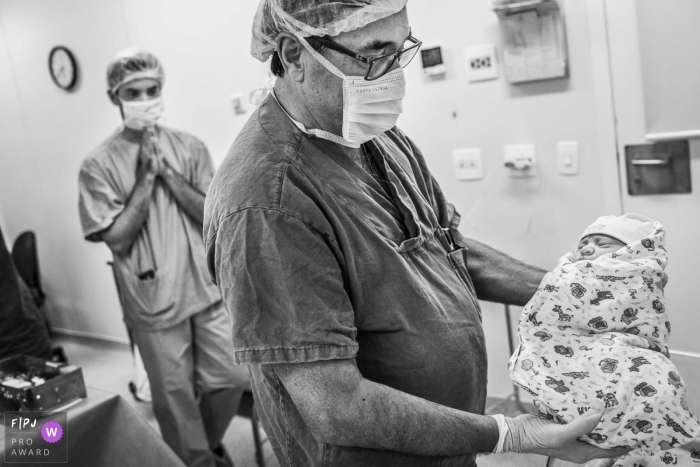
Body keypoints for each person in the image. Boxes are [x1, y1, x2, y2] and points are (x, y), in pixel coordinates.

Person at [203, 1, 630, 466]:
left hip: (446, 439)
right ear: (294, 53)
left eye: (400, 48)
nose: (392, 74)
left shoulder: (370, 134)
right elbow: (336, 406)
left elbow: (447, 250)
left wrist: (574, 291)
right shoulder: (268, 203)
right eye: (373, 53)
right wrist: (511, 435)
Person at [78, 48, 248, 467]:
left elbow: (211, 213)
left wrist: (169, 175)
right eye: (133, 92)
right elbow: (117, 239)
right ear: (114, 97)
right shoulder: (97, 165)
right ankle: (198, 462)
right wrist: (146, 178)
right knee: (173, 399)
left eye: (152, 89)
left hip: (203, 289)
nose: (145, 98)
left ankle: (201, 449)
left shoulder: (189, 147)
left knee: (231, 377)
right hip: (152, 297)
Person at [509, 214, 700, 466]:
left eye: (602, 243)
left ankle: (660, 437)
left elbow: (641, 312)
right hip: (579, 347)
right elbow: (559, 307)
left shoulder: (640, 271)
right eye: (583, 244)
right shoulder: (570, 272)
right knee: (587, 392)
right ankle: (607, 437)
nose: (587, 248)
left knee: (658, 385)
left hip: (633, 346)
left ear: (632, 250)